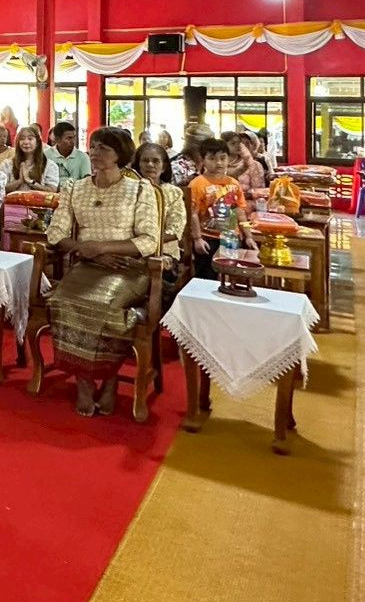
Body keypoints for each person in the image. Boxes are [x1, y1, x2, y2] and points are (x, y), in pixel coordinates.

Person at [45, 127, 161, 417]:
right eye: (93, 147)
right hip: (87, 265)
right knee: (62, 301)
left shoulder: (139, 189)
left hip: (127, 269)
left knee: (105, 307)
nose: (95, 153)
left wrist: (103, 248)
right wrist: (82, 248)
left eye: (104, 149)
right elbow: (54, 233)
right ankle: (84, 382)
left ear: (120, 155)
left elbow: (149, 240)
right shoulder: (76, 188)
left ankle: (108, 379)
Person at [187, 138, 251, 279]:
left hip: (231, 237)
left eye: (223, 158)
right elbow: (193, 214)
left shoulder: (234, 183)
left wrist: (248, 236)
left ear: (229, 159)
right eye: (212, 158)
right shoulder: (197, 184)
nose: (219, 163)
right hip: (207, 238)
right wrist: (197, 238)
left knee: (231, 273)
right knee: (206, 276)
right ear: (202, 160)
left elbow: (240, 211)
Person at [135, 141, 189, 302]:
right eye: (145, 161)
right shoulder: (128, 189)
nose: (150, 165)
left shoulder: (173, 193)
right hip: (129, 248)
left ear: (164, 167)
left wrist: (145, 243)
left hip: (162, 251)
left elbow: (175, 230)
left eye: (156, 161)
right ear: (137, 165)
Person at [3, 126, 60, 194]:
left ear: (38, 143)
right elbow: (1, 189)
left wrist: (30, 181)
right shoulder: (7, 164)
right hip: (13, 204)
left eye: (30, 139)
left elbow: (52, 190)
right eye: (22, 139)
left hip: (39, 204)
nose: (26, 142)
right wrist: (19, 181)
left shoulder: (50, 165)